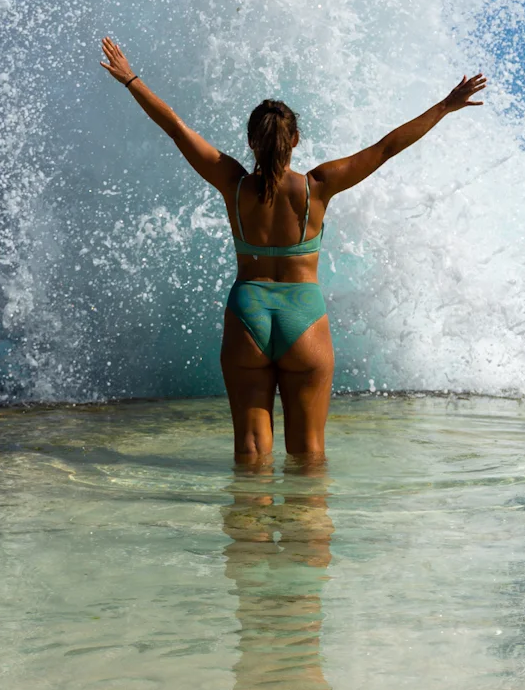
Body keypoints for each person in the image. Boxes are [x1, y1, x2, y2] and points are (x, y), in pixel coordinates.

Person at [99, 36, 487, 462]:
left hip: (248, 313)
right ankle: (307, 528)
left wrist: (131, 79)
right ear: (296, 140)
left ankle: (250, 528)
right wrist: (445, 106)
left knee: (250, 450)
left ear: (251, 142)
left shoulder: (233, 183)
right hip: (304, 317)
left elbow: (175, 127)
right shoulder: (316, 187)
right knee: (308, 453)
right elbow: (385, 147)